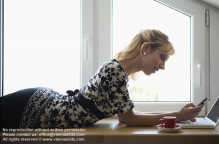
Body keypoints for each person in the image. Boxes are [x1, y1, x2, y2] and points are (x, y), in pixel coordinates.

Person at [0, 29, 204, 129]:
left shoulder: (118, 71)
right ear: (146, 48)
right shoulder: (115, 70)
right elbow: (130, 120)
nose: (162, 66)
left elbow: (127, 115)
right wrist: (178, 115)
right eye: (162, 57)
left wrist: (177, 115)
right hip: (36, 107)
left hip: (45, 104)